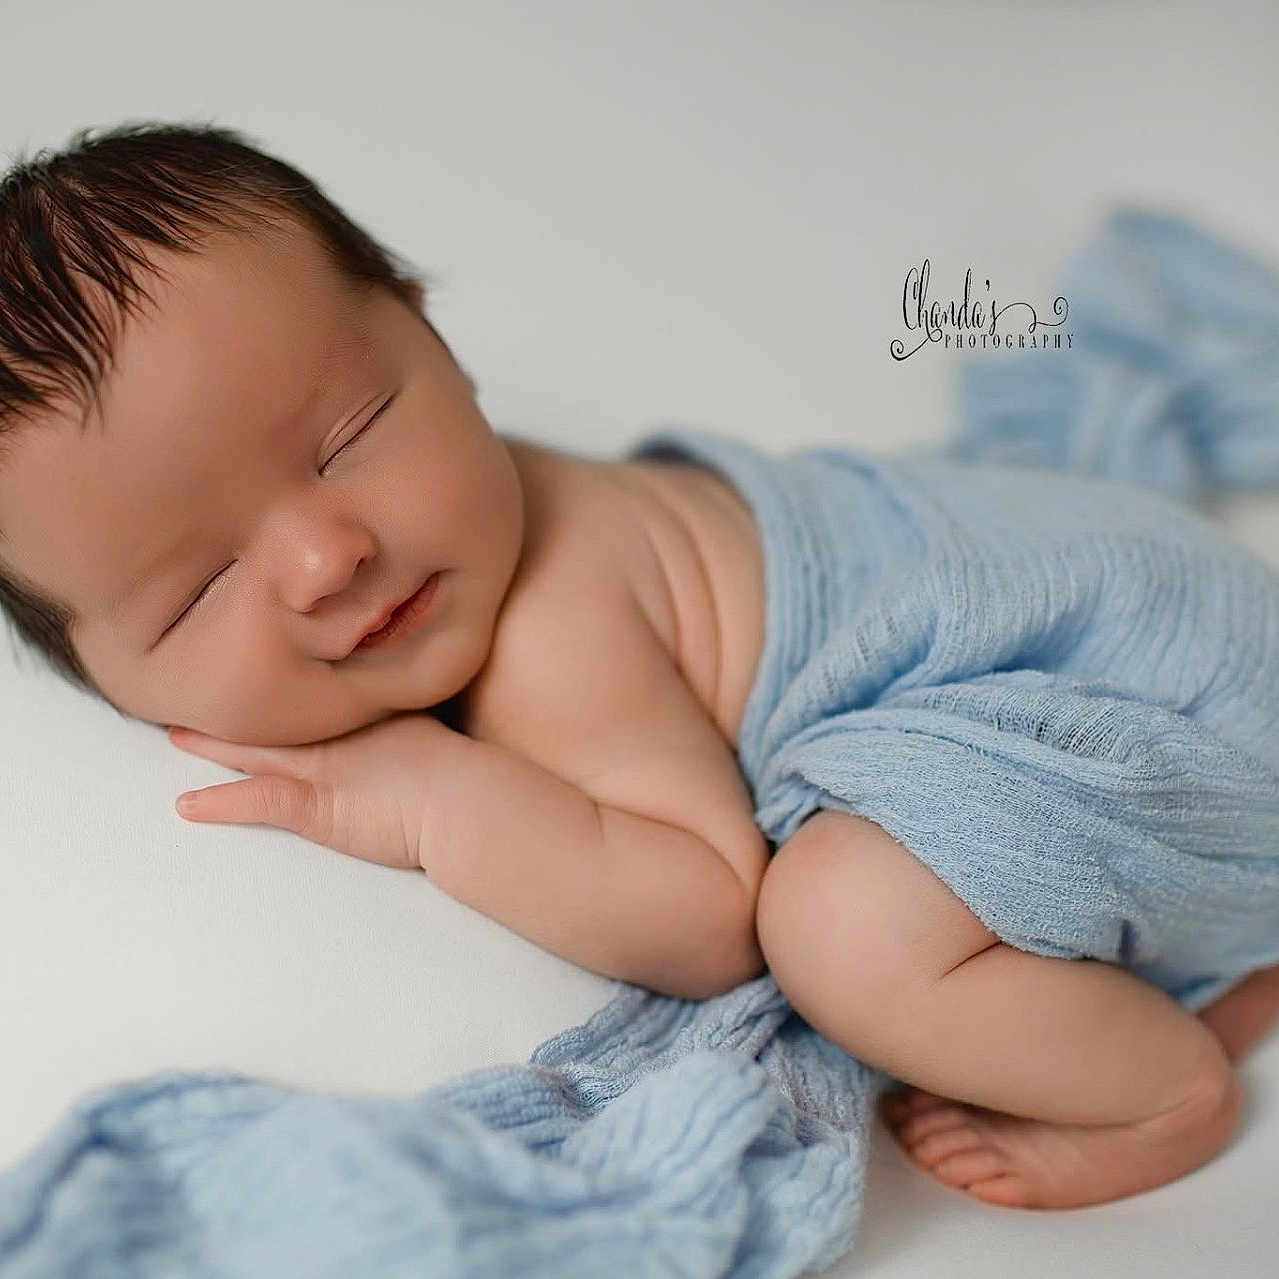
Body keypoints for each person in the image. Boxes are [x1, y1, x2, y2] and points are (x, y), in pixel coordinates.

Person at [1, 120, 1277, 1212]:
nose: (327, 557)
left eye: (351, 434)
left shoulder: (554, 617)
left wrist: (434, 801)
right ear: (94, 674)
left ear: (435, 340)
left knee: (840, 926)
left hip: (1162, 699)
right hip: (1147, 625)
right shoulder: (461, 530)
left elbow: (711, 914)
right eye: (198, 588)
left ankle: (1163, 1089)